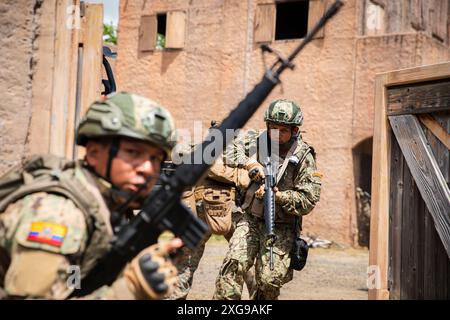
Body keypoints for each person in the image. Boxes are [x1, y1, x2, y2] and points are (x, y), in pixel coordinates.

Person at [0, 92, 181, 299]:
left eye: (156, 158)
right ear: (94, 153)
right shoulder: (58, 214)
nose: (148, 168)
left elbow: (73, 283)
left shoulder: (108, 205)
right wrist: (128, 290)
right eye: (133, 152)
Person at [213, 99, 322, 300]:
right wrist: (250, 164)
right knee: (233, 265)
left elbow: (308, 199)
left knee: (269, 280)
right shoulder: (256, 140)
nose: (277, 134)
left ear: (295, 130)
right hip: (251, 219)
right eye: (273, 128)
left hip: (281, 225)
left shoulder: (303, 156)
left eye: (283, 130)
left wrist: (277, 196)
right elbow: (227, 147)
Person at [167, 152, 257, 299]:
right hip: (204, 208)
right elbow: (212, 167)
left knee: (243, 257)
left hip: (234, 209)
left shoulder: (244, 145)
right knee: (185, 262)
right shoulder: (213, 145)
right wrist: (245, 176)